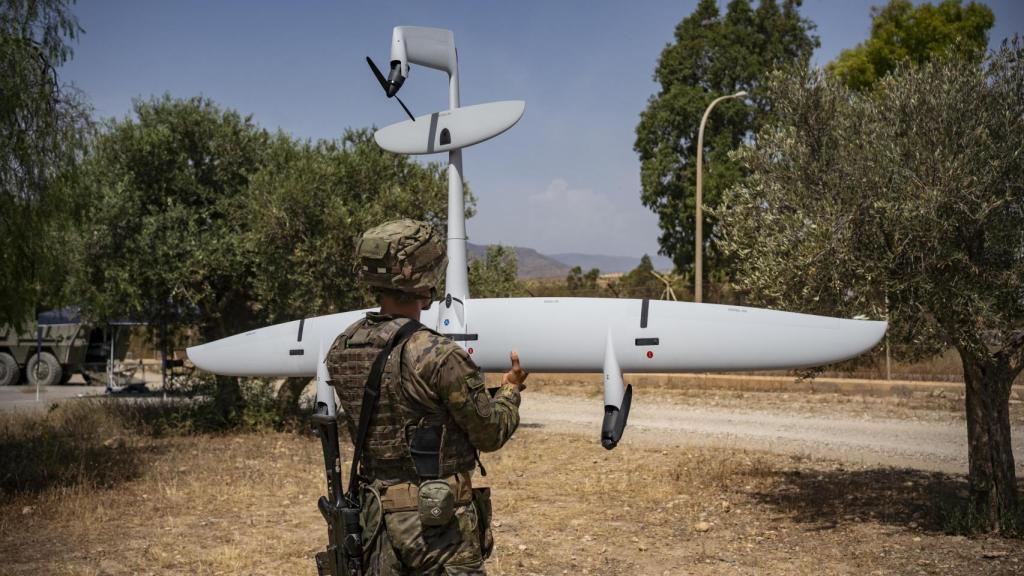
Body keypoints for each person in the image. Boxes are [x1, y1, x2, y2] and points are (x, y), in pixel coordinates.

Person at [325, 219, 528, 575]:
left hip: (375, 525)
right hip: (437, 528)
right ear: (425, 279)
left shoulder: (342, 346)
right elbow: (490, 432)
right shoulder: (437, 354)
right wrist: (510, 389)